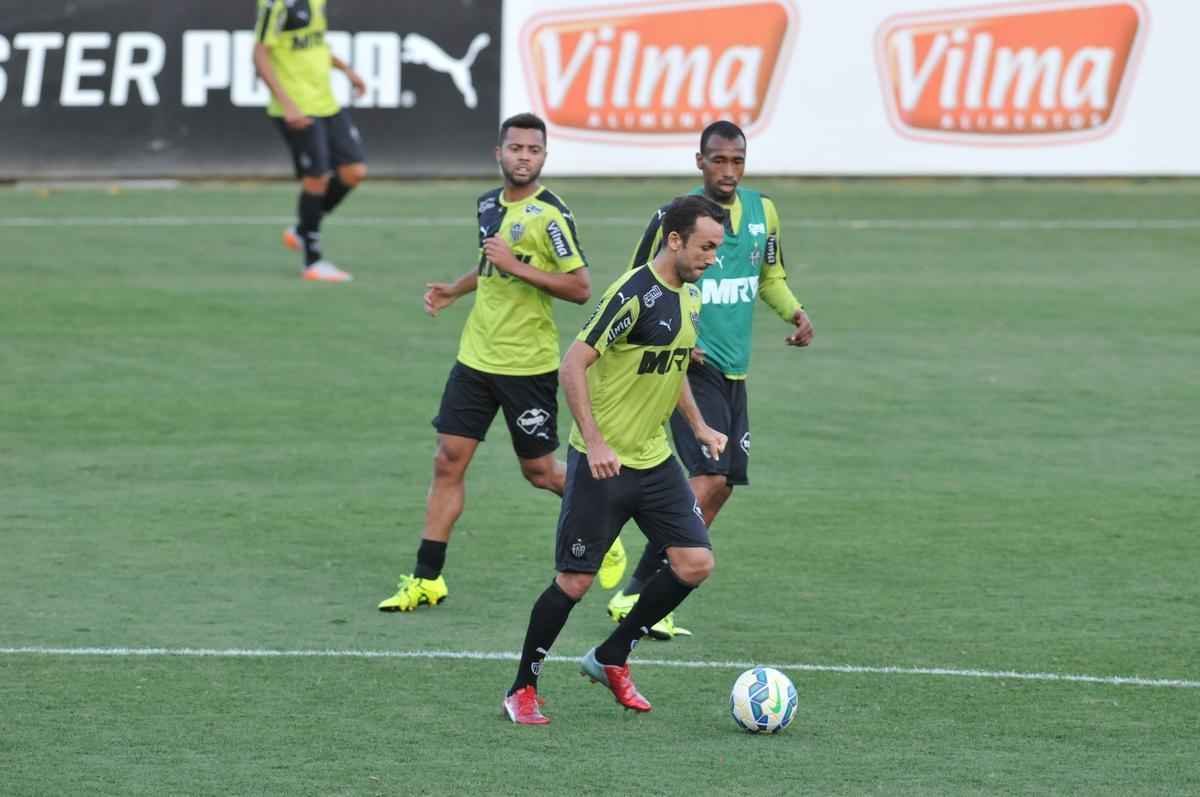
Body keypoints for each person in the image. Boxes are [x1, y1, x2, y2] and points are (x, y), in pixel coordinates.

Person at [502, 196, 728, 725]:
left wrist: (698, 427)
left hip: (655, 462)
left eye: (717, 248)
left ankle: (611, 655)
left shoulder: (690, 298)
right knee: (574, 583)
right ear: (675, 241)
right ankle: (522, 688)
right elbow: (573, 364)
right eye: (706, 247)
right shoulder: (632, 295)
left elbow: (669, 368)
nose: (712, 258)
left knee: (695, 564)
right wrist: (596, 440)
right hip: (601, 466)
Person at [604, 120, 815, 639]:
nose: (728, 170)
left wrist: (795, 313)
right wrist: (670, 332)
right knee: (709, 477)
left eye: (737, 161)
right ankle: (642, 585)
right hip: (690, 366)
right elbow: (639, 282)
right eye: (718, 160)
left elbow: (770, 277)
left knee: (722, 490)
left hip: (736, 371)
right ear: (700, 162)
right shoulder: (673, 218)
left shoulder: (763, 213)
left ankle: (641, 589)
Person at [378, 113, 593, 612]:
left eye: (532, 150)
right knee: (447, 460)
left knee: (539, 472)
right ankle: (427, 577)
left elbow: (580, 288)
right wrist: (456, 289)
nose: (523, 157)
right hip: (476, 357)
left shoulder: (552, 217)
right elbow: (490, 266)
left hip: (527, 365)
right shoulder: (486, 205)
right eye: (514, 148)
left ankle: (603, 521)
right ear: (498, 153)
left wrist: (516, 266)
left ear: (543, 157)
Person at [253, 0, 367, 283]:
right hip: (296, 107)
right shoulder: (275, 5)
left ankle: (303, 229)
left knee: (354, 172)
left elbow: (316, 45)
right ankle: (312, 261)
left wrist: (347, 70)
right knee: (317, 177)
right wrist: (287, 104)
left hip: (326, 103)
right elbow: (259, 55)